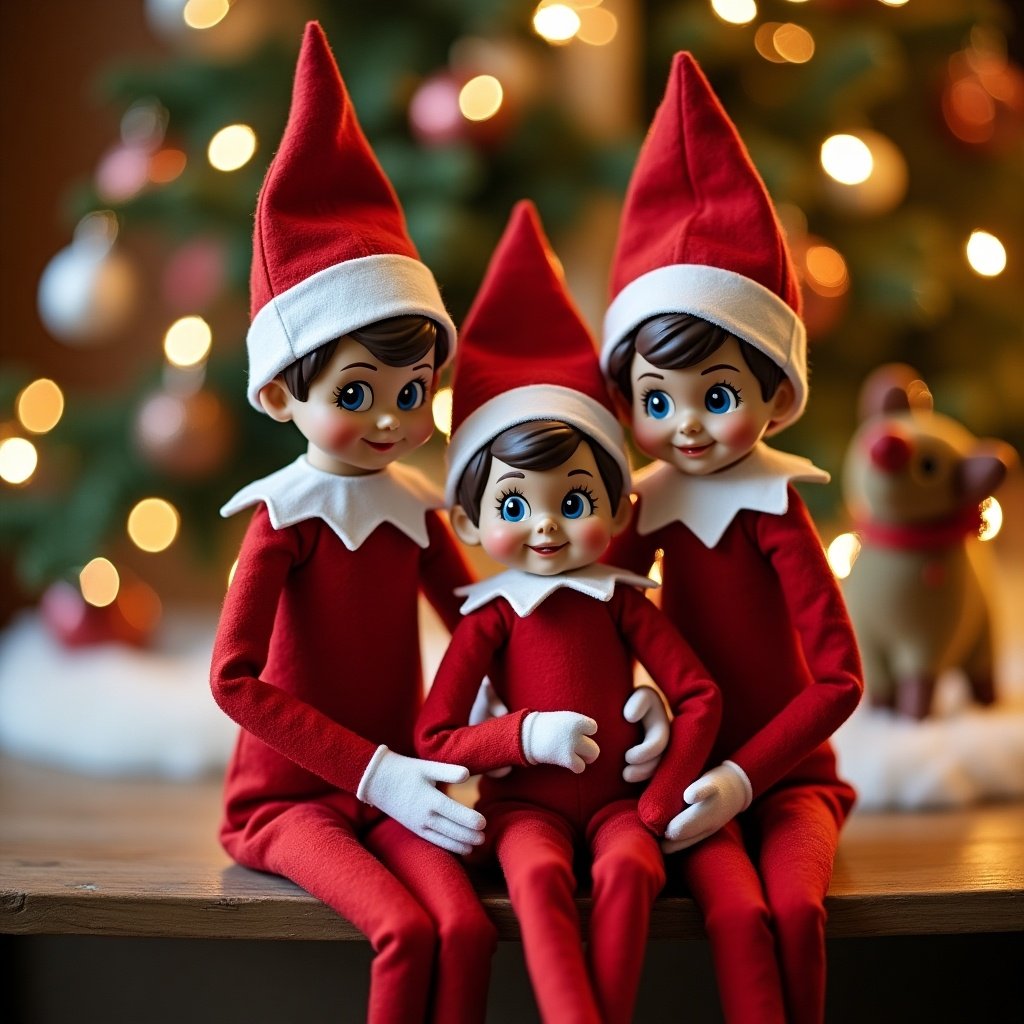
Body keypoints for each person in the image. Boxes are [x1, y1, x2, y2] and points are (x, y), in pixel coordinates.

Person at [210, 24, 495, 1023]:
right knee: (406, 929)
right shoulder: (284, 519)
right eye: (358, 391)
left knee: (467, 926)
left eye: (411, 392)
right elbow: (232, 680)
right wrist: (376, 771)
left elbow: (480, 622)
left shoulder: (414, 506)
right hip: (289, 800)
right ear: (284, 392)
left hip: (403, 779)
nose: (389, 420)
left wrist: (517, 723)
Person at [600, 53, 864, 1024]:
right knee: (730, 913)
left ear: (770, 392)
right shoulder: (643, 506)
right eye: (656, 400)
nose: (689, 427)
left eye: (717, 396)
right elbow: (607, 624)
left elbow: (838, 679)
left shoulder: (775, 509)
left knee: (794, 909)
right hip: (687, 767)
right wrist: (642, 712)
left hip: (788, 776)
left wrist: (750, 775)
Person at [416, 201, 722, 1024]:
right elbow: (435, 739)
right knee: (539, 879)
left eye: (575, 499)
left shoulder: (623, 602)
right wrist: (521, 736)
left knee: (630, 871)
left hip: (624, 805)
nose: (547, 525)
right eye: (514, 507)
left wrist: (663, 773)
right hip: (526, 807)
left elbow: (700, 694)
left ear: (620, 507)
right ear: (469, 525)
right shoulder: (487, 618)